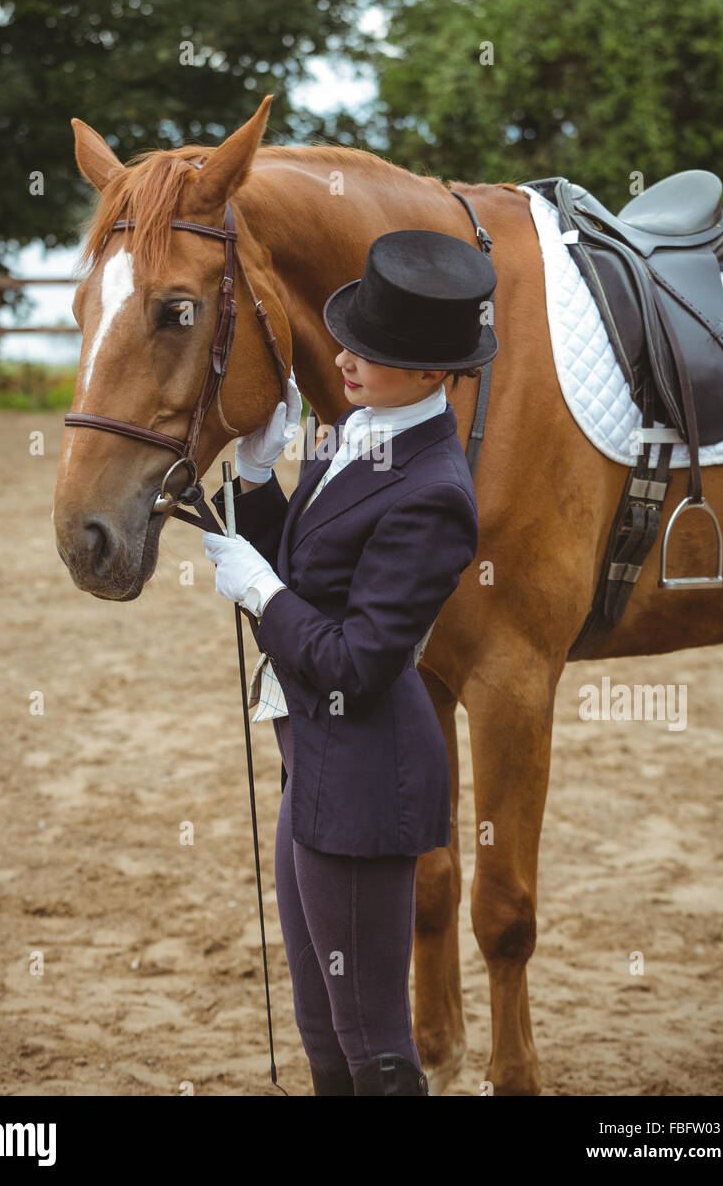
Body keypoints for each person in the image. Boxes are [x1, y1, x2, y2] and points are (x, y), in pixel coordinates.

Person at [202, 226, 497, 1096]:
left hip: (369, 780)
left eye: (374, 351)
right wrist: (257, 486)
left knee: (374, 1046)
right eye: (350, 338)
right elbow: (314, 574)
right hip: (313, 764)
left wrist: (261, 593)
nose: (345, 358)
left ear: (435, 373)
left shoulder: (435, 492)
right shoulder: (353, 431)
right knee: (323, 1034)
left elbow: (355, 661)